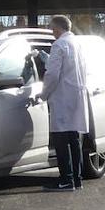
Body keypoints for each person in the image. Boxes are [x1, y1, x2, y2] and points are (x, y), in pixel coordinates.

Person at [39, 14, 89, 192]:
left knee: (61, 140)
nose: (51, 32)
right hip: (76, 96)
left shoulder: (59, 44)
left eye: (52, 28)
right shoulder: (77, 44)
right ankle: (77, 178)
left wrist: (43, 94)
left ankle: (66, 179)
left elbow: (52, 75)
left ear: (58, 28)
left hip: (62, 97)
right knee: (74, 139)